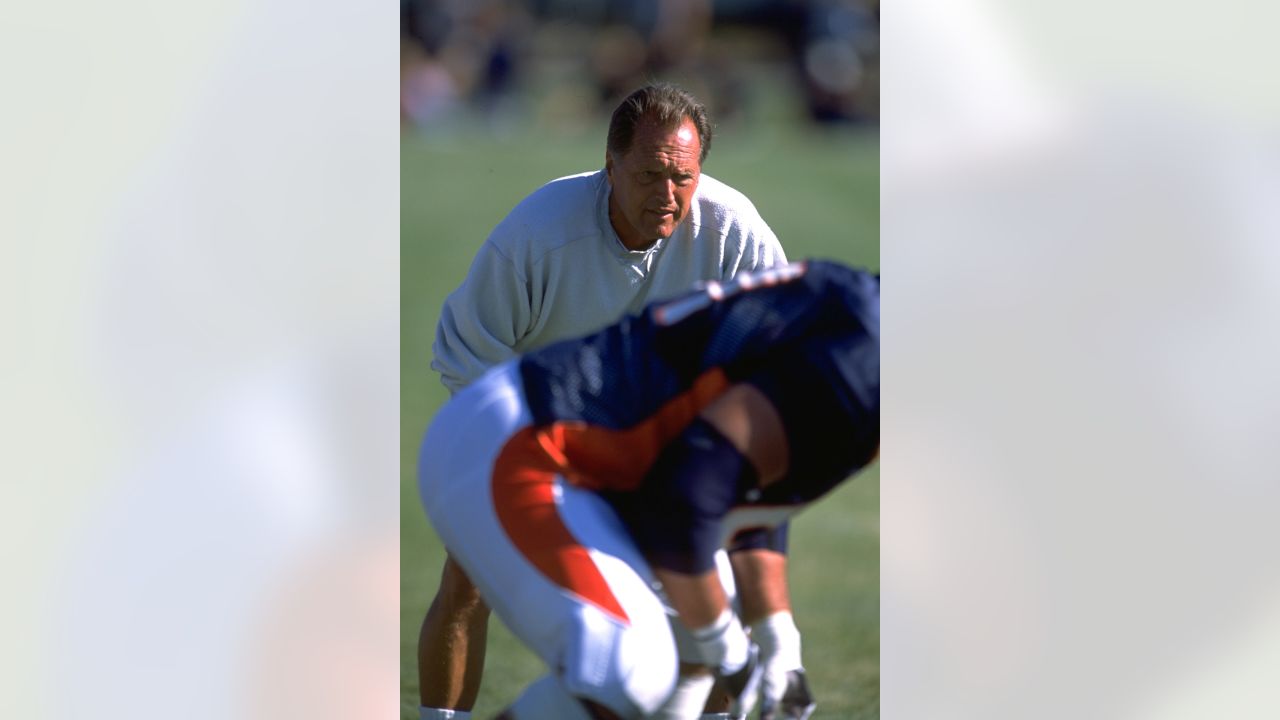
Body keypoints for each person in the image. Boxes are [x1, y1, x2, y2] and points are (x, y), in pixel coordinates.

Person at [420, 83, 802, 719]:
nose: (667, 193)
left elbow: (779, 353)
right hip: (531, 426)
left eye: (683, 176)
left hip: (670, 440)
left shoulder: (734, 233)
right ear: (610, 166)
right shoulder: (539, 232)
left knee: (710, 604)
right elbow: (466, 349)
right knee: (468, 579)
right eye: (649, 173)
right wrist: (539, 455)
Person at [417, 260, 880, 720]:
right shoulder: (867, 357)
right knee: (627, 667)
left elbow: (742, 490)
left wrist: (778, 640)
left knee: (694, 628)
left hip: (580, 460)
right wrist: (729, 648)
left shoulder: (862, 321)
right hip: (529, 448)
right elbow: (686, 495)